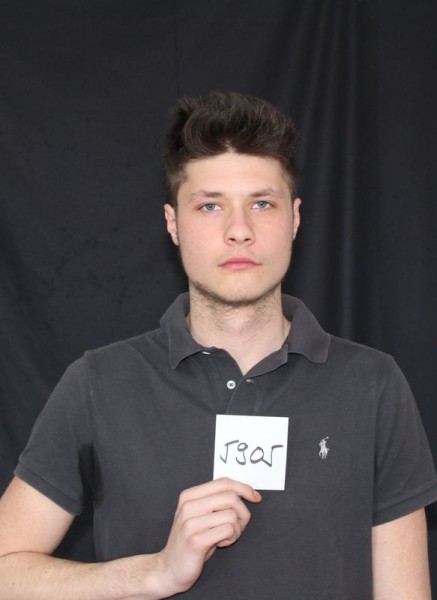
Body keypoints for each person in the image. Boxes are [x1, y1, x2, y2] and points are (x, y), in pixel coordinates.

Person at [0, 91, 436, 599]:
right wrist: (155, 573)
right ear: (173, 224)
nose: (239, 231)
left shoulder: (373, 385)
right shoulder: (98, 383)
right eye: (210, 206)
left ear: (295, 219)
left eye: (261, 204)